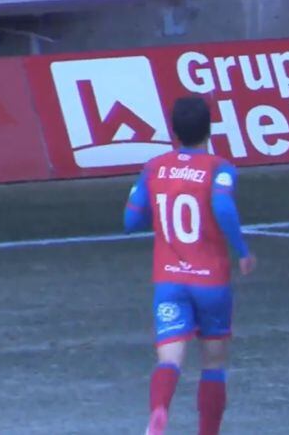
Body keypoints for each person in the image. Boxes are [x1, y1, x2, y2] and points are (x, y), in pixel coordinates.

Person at [123, 96, 257, 435]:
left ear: (174, 131)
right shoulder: (219, 167)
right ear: (209, 130)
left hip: (169, 281)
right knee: (213, 363)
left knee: (169, 359)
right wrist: (242, 250)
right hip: (210, 281)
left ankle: (159, 411)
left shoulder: (154, 167)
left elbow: (130, 220)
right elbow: (224, 208)